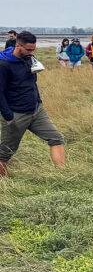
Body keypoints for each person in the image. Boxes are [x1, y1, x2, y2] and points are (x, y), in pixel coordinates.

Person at [0, 31, 66, 176]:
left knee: (56, 138)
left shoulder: (29, 58)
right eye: (28, 49)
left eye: (33, 49)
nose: (32, 52)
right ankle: (3, 184)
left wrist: (38, 102)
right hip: (16, 114)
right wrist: (8, 116)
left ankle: (63, 175)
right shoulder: (4, 65)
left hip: (36, 111)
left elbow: (32, 83)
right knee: (5, 153)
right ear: (17, 45)